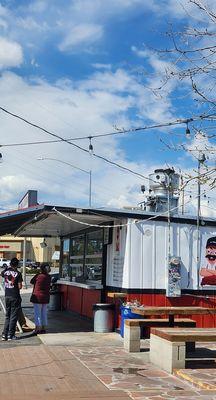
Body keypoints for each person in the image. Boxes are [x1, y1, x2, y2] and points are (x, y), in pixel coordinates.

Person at [1, 257, 23, 341]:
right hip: (15, 296)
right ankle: (11, 335)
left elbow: (2, 273)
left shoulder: (5, 272)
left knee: (7, 316)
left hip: (7, 296)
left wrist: (8, 268)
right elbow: (20, 286)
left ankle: (4, 335)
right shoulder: (18, 273)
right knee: (13, 316)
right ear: (17, 265)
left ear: (10, 264)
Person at [30, 263, 51, 334]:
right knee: (44, 313)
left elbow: (31, 281)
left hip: (37, 297)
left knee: (37, 313)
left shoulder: (38, 276)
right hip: (45, 297)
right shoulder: (49, 276)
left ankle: (37, 329)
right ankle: (43, 328)